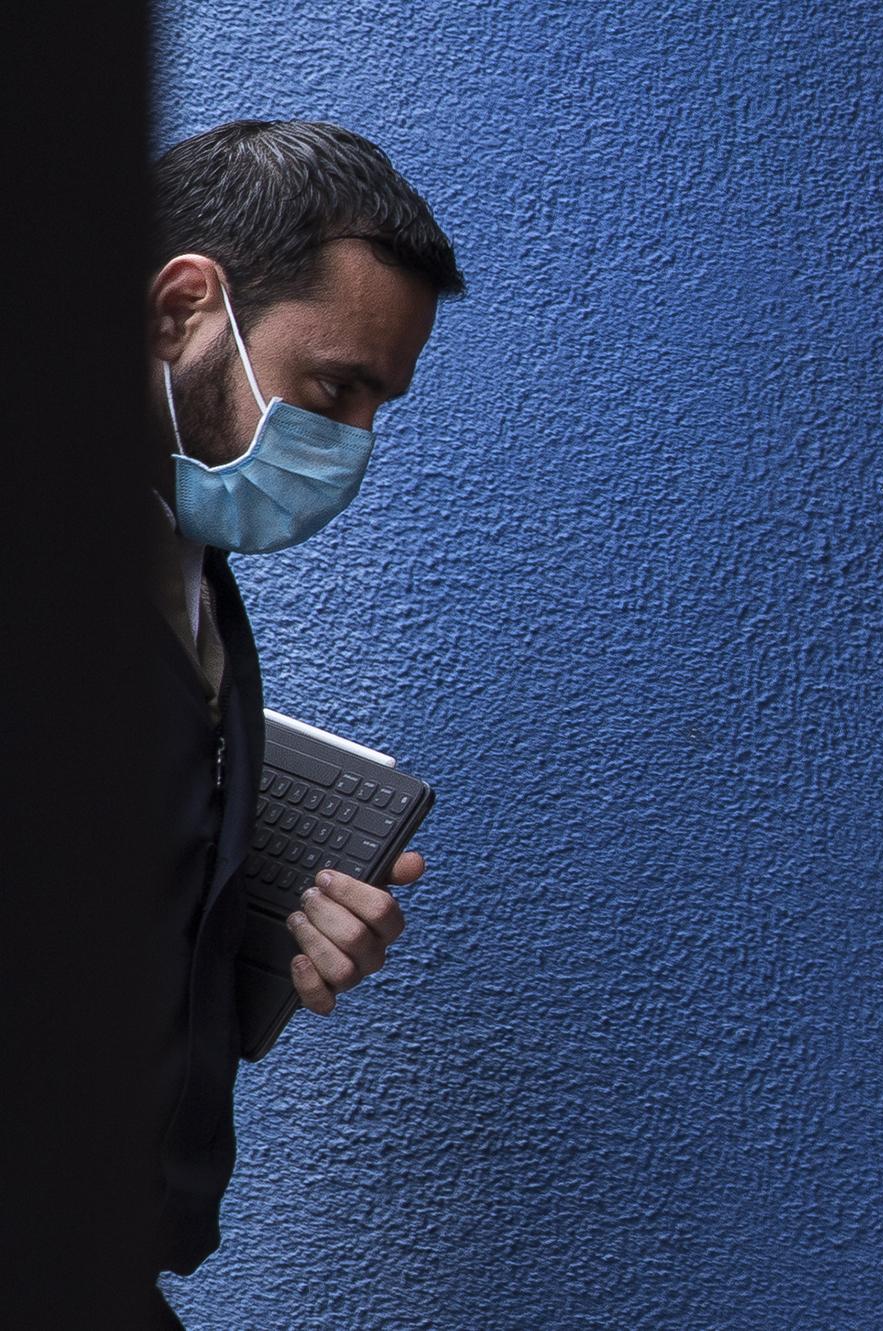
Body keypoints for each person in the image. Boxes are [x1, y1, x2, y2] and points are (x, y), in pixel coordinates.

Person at [142, 119, 463, 1322]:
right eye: (337, 387)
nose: (355, 443)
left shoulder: (188, 567)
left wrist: (253, 920)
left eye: (381, 403)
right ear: (184, 307)